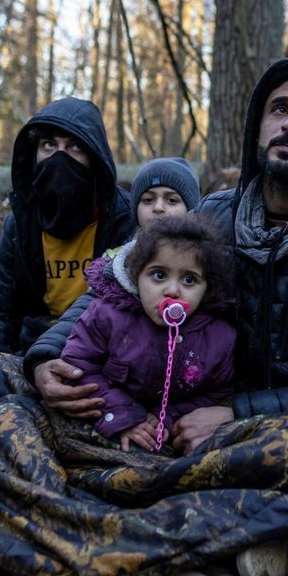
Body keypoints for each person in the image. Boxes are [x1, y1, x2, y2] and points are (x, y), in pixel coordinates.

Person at [108, 57, 288, 455]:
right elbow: (116, 283)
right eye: (280, 109)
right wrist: (46, 358)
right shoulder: (212, 216)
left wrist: (239, 414)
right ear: (258, 130)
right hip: (192, 411)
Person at [22, 157, 201, 412]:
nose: (158, 208)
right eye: (147, 200)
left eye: (172, 200)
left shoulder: (207, 265)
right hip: (119, 392)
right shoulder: (116, 265)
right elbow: (80, 314)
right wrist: (43, 355)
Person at [59, 215, 236, 452]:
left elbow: (219, 392)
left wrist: (168, 417)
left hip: (166, 433)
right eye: (159, 275)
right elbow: (78, 367)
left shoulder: (219, 338)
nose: (172, 290)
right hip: (106, 419)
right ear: (135, 277)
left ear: (207, 288)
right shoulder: (106, 316)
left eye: (189, 279)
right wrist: (123, 415)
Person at [0, 98, 134, 354]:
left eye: (75, 147)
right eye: (49, 145)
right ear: (34, 154)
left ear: (94, 157)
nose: (60, 158)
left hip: (102, 349)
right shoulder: (20, 224)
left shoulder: (125, 219)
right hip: (30, 346)